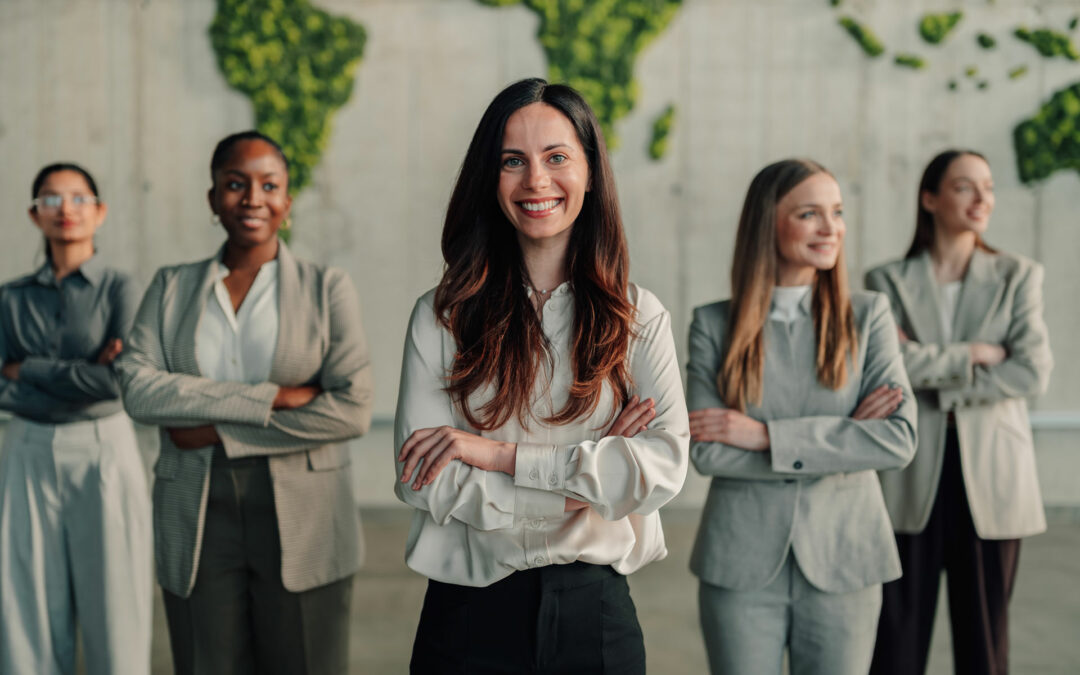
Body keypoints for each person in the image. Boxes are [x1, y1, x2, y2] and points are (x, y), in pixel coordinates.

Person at [393, 78, 689, 674]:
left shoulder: (637, 317)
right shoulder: (440, 316)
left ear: (589, 172)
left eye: (557, 157)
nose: (536, 180)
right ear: (490, 176)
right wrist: (590, 480)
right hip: (468, 616)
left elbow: (660, 472)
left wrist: (496, 456)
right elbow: (423, 481)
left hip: (594, 614)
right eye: (513, 161)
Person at [116, 131, 374, 675]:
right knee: (207, 661)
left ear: (287, 200)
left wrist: (215, 428)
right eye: (234, 184)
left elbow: (350, 409)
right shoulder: (170, 287)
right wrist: (271, 398)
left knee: (306, 661)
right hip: (196, 504)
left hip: (306, 511)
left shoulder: (328, 287)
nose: (251, 198)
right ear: (213, 199)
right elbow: (139, 388)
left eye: (268, 185)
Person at [687, 159, 917, 674]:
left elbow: (897, 439)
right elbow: (707, 450)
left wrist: (764, 436)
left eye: (836, 212)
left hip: (848, 559)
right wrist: (846, 439)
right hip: (740, 565)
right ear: (767, 222)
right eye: (810, 213)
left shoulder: (870, 315)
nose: (830, 227)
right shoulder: (712, 324)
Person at [867, 150, 1053, 675]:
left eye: (989, 187)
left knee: (984, 645)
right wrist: (974, 354)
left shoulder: (1018, 275)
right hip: (909, 471)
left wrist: (932, 377)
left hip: (992, 476)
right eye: (966, 187)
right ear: (930, 198)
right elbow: (889, 367)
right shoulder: (886, 280)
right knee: (896, 641)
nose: (982, 199)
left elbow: (1031, 371)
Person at [0, 163, 151, 675]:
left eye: (78, 198)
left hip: (104, 446)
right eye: (51, 199)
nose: (65, 209)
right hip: (25, 449)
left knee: (116, 597)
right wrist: (83, 374)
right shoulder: (10, 297)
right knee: (26, 600)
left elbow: (119, 381)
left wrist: (29, 371)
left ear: (100, 211)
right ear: (33, 214)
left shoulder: (120, 289)